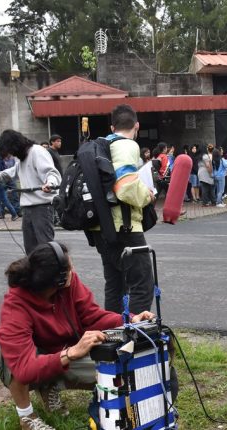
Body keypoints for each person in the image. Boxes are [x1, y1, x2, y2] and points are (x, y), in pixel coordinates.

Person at [0, 242, 156, 430]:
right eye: (70, 268)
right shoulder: (15, 305)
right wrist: (71, 353)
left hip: (61, 351)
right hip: (44, 355)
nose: (74, 270)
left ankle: (49, 385)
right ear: (58, 280)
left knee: (118, 368)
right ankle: (27, 417)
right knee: (6, 351)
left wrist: (130, 319)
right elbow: (23, 369)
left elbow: (92, 315)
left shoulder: (70, 284)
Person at [88, 104, 156, 315]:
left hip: (101, 227)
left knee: (115, 285)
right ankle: (135, 339)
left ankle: (115, 338)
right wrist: (148, 195)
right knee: (143, 285)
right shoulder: (127, 145)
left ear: (112, 126)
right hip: (125, 227)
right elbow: (126, 186)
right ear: (136, 125)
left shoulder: (101, 145)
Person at [0, 130, 61, 254]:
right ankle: (34, 272)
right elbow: (14, 170)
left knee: (45, 247)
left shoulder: (37, 152)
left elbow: (51, 173)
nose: (12, 155)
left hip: (41, 207)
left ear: (16, 146)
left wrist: (50, 183)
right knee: (30, 249)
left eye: (12, 152)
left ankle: (50, 271)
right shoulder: (22, 158)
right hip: (27, 208)